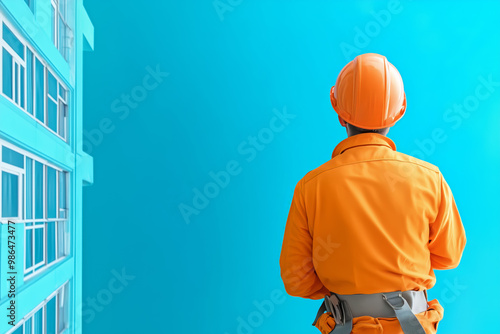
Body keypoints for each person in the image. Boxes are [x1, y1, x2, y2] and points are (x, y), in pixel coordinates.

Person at [279, 53, 466, 334]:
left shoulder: (311, 187)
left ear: (338, 110)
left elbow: (297, 280)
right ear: (400, 111)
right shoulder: (430, 178)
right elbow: (449, 256)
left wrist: (348, 290)